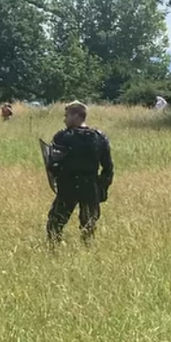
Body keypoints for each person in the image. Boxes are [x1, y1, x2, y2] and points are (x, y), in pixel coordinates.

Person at [45, 101, 114, 247]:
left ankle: (54, 252)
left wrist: (57, 178)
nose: (64, 119)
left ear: (76, 116)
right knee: (88, 226)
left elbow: (53, 164)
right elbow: (108, 167)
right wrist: (101, 187)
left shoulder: (63, 137)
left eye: (67, 115)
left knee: (55, 224)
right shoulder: (100, 137)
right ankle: (87, 251)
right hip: (90, 186)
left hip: (68, 186)